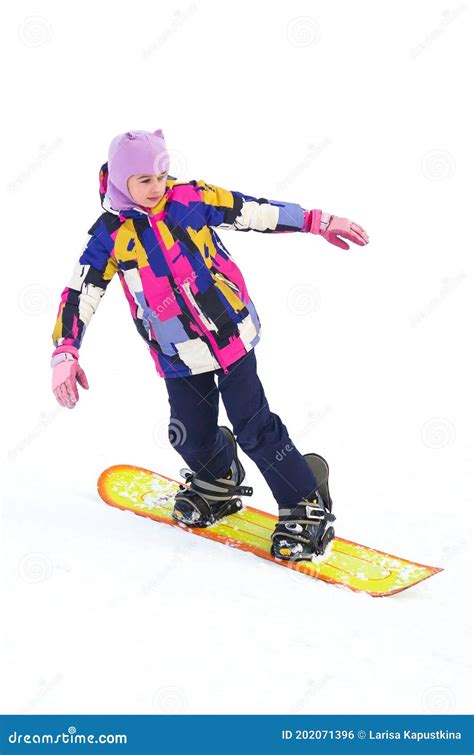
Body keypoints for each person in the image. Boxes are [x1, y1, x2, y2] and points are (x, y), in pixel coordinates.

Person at [51, 129, 369, 561]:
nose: (157, 186)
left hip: (230, 337)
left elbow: (253, 211)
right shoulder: (110, 235)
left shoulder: (189, 199)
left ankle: (304, 501)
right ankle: (217, 476)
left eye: (162, 174)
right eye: (144, 179)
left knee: (254, 427)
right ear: (121, 181)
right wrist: (66, 351)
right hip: (178, 354)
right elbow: (80, 293)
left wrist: (316, 221)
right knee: (187, 434)